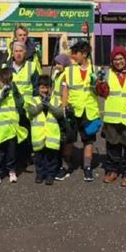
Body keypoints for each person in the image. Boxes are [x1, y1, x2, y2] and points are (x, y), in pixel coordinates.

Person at [97, 46, 126, 187]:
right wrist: (100, 83)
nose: (118, 62)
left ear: (125, 59)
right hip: (112, 116)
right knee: (113, 146)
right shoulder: (106, 72)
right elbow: (102, 93)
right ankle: (112, 171)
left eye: (121, 58)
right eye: (115, 59)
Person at [63, 40, 100, 182]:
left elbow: (101, 91)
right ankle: (66, 166)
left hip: (89, 110)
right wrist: (64, 106)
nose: (73, 56)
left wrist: (97, 83)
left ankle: (87, 168)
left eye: (75, 53)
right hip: (73, 110)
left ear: (84, 54)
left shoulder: (95, 69)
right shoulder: (69, 70)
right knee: (69, 139)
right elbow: (65, 89)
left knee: (88, 140)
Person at [0, 68, 27, 184]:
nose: (6, 84)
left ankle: (11, 171)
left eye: (9, 81)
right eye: (4, 81)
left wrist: (16, 92)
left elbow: (20, 104)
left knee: (11, 153)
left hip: (12, 129)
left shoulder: (12, 93)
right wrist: (1, 96)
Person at [4, 41, 39, 168]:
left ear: (25, 53)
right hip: (10, 106)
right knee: (11, 133)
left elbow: (36, 87)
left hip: (26, 107)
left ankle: (25, 157)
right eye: (16, 51)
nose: (18, 54)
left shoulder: (32, 66)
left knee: (25, 132)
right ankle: (13, 158)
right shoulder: (5, 67)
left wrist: (35, 104)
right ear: (12, 53)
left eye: (21, 51)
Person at [26, 75, 63, 185]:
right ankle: (40, 174)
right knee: (39, 158)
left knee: (52, 158)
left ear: (51, 88)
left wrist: (50, 106)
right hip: (38, 136)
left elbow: (60, 113)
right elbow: (31, 112)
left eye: (47, 88)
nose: (45, 90)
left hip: (52, 136)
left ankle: (50, 175)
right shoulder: (33, 100)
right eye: (42, 87)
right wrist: (42, 105)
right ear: (38, 88)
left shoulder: (56, 100)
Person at [52, 53, 75, 181]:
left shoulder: (66, 75)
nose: (56, 66)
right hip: (56, 108)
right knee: (59, 137)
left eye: (59, 63)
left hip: (63, 109)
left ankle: (66, 166)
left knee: (66, 139)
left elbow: (65, 93)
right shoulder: (58, 74)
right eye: (56, 63)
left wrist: (64, 109)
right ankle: (59, 163)